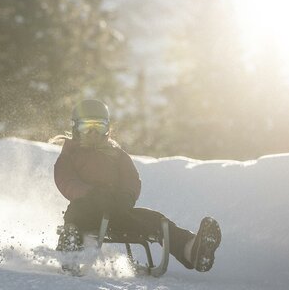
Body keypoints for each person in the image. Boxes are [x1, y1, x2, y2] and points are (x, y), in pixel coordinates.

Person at [53, 99, 221, 272]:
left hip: (116, 209)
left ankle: (191, 249)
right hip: (87, 208)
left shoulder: (117, 155)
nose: (93, 133)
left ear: (107, 129)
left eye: (99, 127)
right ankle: (70, 248)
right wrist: (90, 194)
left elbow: (131, 179)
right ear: (75, 129)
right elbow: (65, 181)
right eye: (86, 127)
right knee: (75, 215)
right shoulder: (70, 155)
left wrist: (126, 196)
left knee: (155, 220)